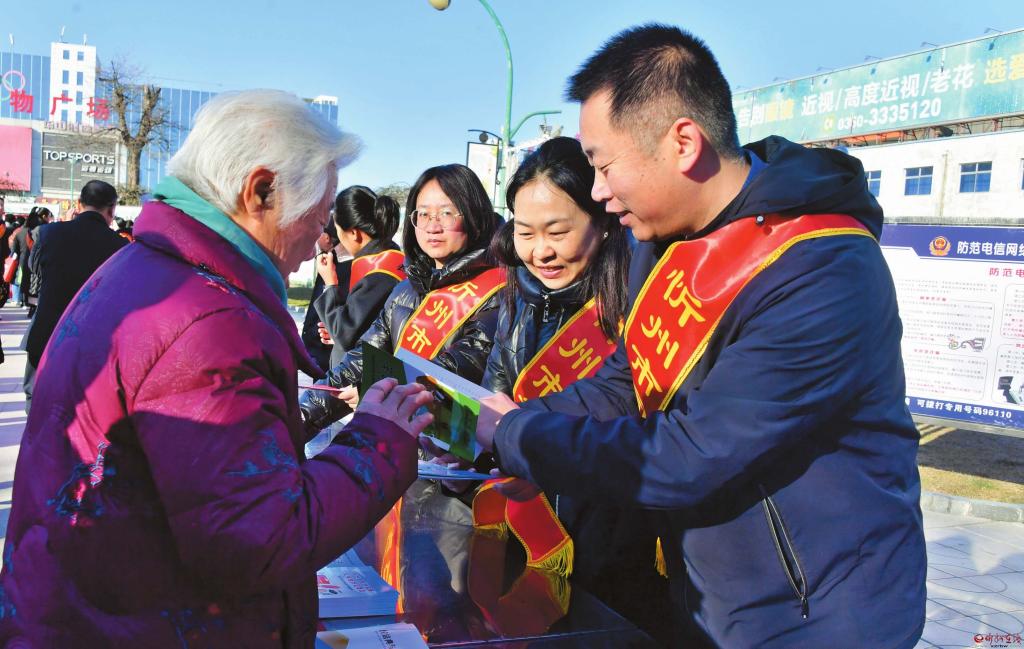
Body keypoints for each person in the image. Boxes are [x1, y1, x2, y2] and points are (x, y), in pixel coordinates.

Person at [474, 24, 926, 648]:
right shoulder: (661, 242)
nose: (598, 191)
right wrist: (518, 419)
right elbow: (626, 381)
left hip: (814, 614)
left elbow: (695, 452)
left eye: (603, 165)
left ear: (683, 142)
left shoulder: (821, 267)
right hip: (708, 596)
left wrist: (522, 438)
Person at [0, 89, 436, 648]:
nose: (319, 236)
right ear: (261, 191)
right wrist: (379, 440)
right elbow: (258, 539)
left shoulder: (147, 268)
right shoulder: (211, 319)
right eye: (318, 211)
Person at [300, 164, 504, 432]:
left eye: (446, 213)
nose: (432, 226)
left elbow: (456, 369)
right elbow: (360, 359)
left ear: (474, 215)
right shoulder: (405, 289)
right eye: (423, 214)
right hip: (395, 440)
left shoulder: (498, 291)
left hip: (446, 450)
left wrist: (376, 392)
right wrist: (299, 420)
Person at [21, 180, 128, 412]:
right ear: (112, 209)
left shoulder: (49, 233)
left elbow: (34, 270)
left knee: (36, 403)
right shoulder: (120, 247)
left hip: (46, 333)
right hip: (89, 342)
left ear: (79, 204)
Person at [313, 185, 405, 368]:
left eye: (338, 230)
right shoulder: (390, 261)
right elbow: (362, 330)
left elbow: (345, 333)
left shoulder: (379, 273)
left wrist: (330, 283)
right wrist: (335, 329)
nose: (338, 238)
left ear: (354, 233)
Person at [300, 221, 342, 371]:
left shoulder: (336, 265)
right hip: (321, 352)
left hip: (327, 354)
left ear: (326, 237)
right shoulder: (328, 261)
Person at [11, 206, 51, 317]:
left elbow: (15, 249)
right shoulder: (44, 229)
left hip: (27, 261)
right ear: (44, 216)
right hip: (40, 262)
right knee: (38, 286)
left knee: (29, 284)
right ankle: (35, 310)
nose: (50, 219)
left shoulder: (25, 230)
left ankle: (29, 306)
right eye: (49, 216)